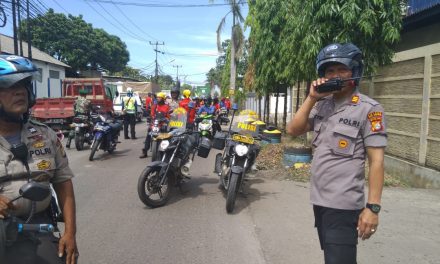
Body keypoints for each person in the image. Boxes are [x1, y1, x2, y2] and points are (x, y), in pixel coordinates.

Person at [286, 43, 387, 264]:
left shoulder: (369, 109)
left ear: (355, 72)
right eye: (329, 71)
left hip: (343, 205)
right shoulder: (321, 105)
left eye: (342, 69)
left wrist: (373, 208)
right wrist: (312, 97)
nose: (335, 75)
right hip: (320, 202)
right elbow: (292, 130)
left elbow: (377, 161)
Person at [0, 55, 78, 263]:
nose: (20, 91)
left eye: (24, 85)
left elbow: (63, 183)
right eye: (8, 86)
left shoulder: (45, 135)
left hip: (37, 227)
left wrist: (70, 234)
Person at [139, 92, 170, 159]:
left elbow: (168, 116)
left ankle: (166, 151)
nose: (158, 99)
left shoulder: (166, 107)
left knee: (166, 136)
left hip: (162, 124)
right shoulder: (154, 106)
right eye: (157, 97)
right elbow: (152, 114)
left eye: (160, 98)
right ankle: (145, 151)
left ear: (163, 99)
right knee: (148, 135)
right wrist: (151, 119)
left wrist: (166, 119)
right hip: (155, 124)